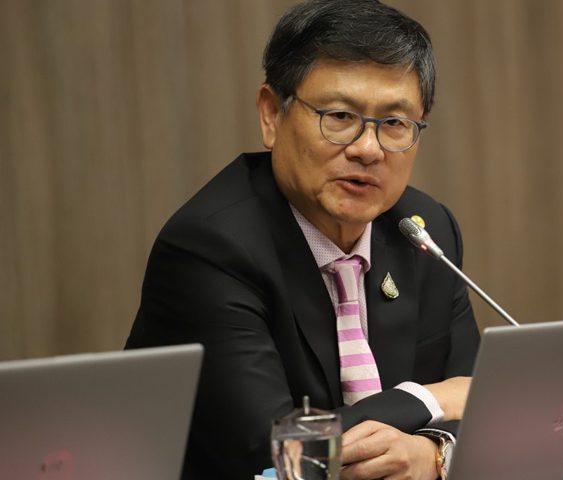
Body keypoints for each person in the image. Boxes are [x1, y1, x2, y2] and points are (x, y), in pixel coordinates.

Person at [125, 1, 480, 479]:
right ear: (272, 115)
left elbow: (484, 409)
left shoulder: (422, 229)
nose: (367, 149)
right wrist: (425, 399)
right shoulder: (209, 250)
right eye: (340, 116)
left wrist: (433, 454)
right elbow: (279, 457)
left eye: (395, 123)